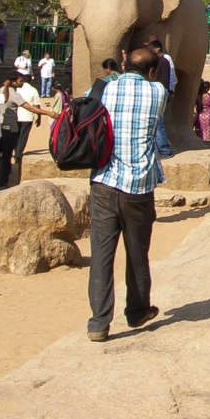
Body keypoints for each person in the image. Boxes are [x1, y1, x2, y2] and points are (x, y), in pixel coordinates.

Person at [85, 46, 169, 342]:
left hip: (104, 181)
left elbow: (85, 103)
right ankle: (136, 311)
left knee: (101, 255)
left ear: (124, 64)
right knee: (137, 252)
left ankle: (98, 322)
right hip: (139, 186)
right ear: (151, 71)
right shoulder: (158, 92)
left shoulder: (104, 88)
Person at [1, 69, 53, 188]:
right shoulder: (18, 93)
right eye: (20, 81)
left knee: (7, 147)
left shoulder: (1, 91)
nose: (22, 83)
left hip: (8, 122)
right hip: (24, 118)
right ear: (14, 82)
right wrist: (46, 114)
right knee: (21, 139)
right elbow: (33, 107)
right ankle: (17, 157)